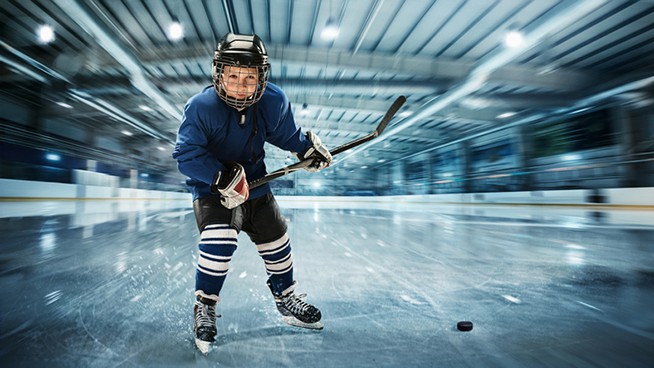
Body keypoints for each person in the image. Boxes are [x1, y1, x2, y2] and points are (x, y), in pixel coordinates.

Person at [172, 33, 332, 353]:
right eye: (233, 76)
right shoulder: (201, 107)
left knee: (277, 239)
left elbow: (288, 135)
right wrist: (219, 176)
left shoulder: (272, 101)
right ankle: (205, 305)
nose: (241, 86)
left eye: (250, 78)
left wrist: (306, 150)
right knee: (220, 241)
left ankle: (286, 299)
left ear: (262, 78)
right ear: (219, 75)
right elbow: (186, 156)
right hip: (212, 191)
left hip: (256, 187)